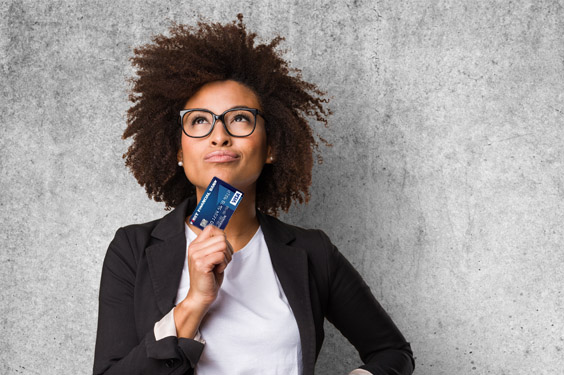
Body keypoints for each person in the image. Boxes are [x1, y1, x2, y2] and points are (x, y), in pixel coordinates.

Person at [93, 15, 414, 375]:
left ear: (272, 146)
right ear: (180, 153)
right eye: (199, 120)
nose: (219, 136)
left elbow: (392, 352)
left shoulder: (312, 253)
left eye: (240, 119)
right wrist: (195, 302)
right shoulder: (134, 249)